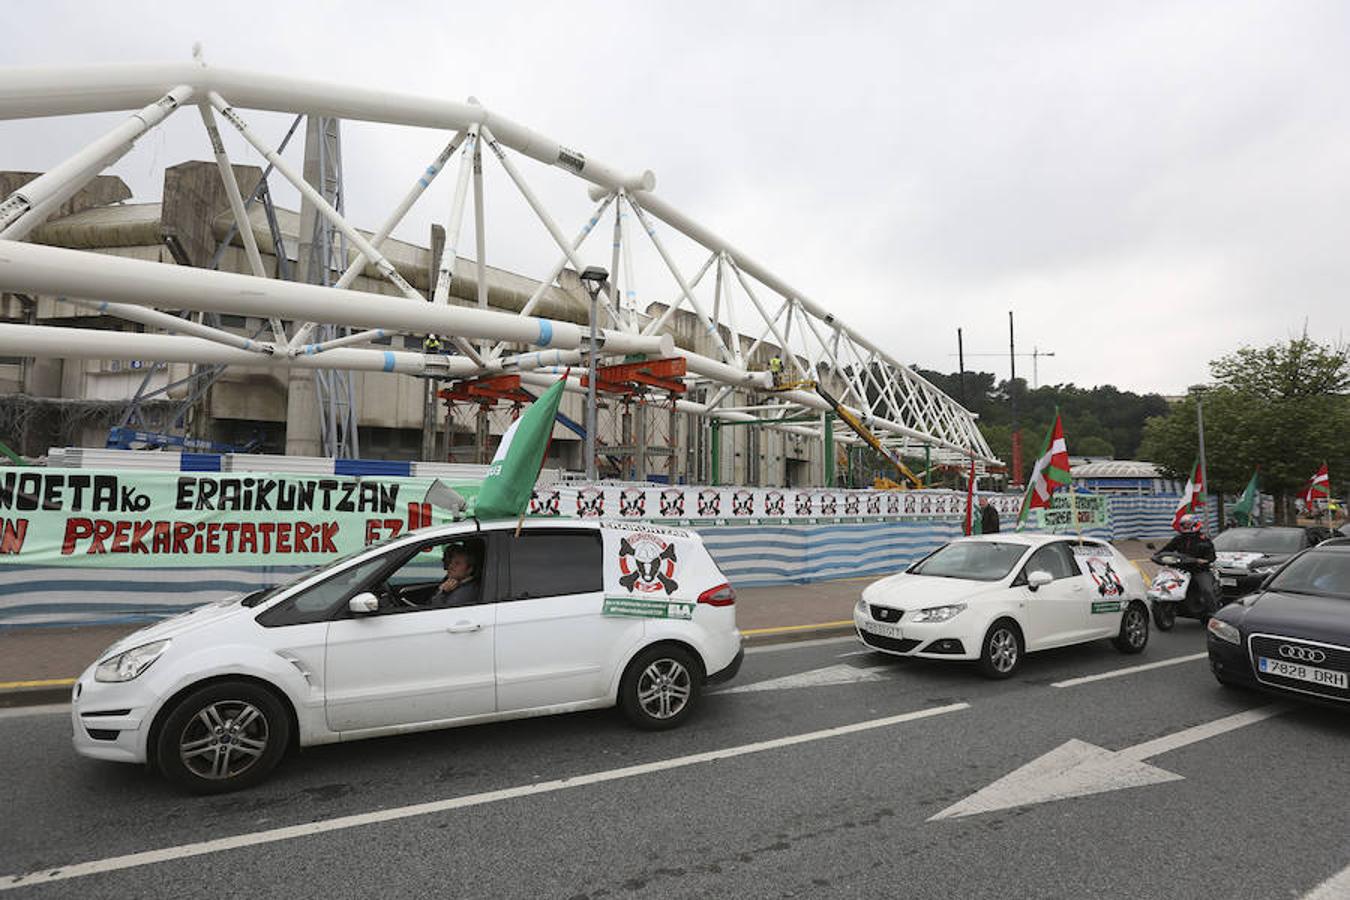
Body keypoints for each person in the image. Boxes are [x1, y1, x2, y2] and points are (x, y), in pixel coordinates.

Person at [1158, 513, 1218, 615]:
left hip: (1199, 570)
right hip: (1181, 570)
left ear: (1196, 524)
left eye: (1188, 524)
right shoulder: (1179, 539)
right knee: (1164, 584)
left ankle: (1215, 614)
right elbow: (1167, 549)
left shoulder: (1203, 539)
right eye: (1184, 524)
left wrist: (1204, 560)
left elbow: (1211, 556)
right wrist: (1157, 555)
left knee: (1206, 590)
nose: (1185, 526)